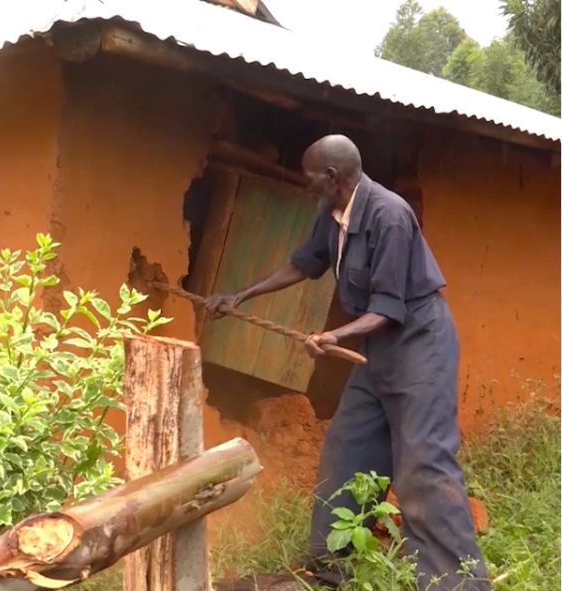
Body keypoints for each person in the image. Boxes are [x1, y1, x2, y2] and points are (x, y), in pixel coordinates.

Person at [206, 135, 489, 590]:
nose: (306, 184)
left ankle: (456, 585)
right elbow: (303, 265)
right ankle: (329, 572)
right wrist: (241, 294)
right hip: (376, 351)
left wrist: (334, 334)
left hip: (419, 344)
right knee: (347, 451)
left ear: (333, 177)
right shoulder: (333, 215)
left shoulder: (389, 215)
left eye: (310, 176)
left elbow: (389, 309)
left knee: (423, 465)